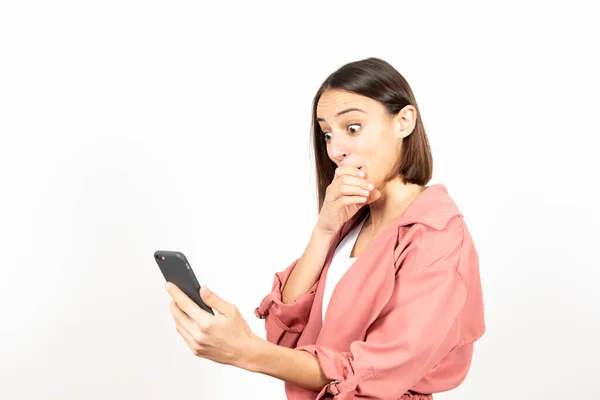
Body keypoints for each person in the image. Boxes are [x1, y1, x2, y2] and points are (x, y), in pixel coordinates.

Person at [165, 57, 486, 399]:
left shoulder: (436, 235)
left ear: (403, 122)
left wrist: (247, 352)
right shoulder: (351, 223)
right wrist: (323, 231)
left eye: (352, 128)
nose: (335, 149)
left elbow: (376, 370)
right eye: (327, 133)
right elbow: (290, 335)